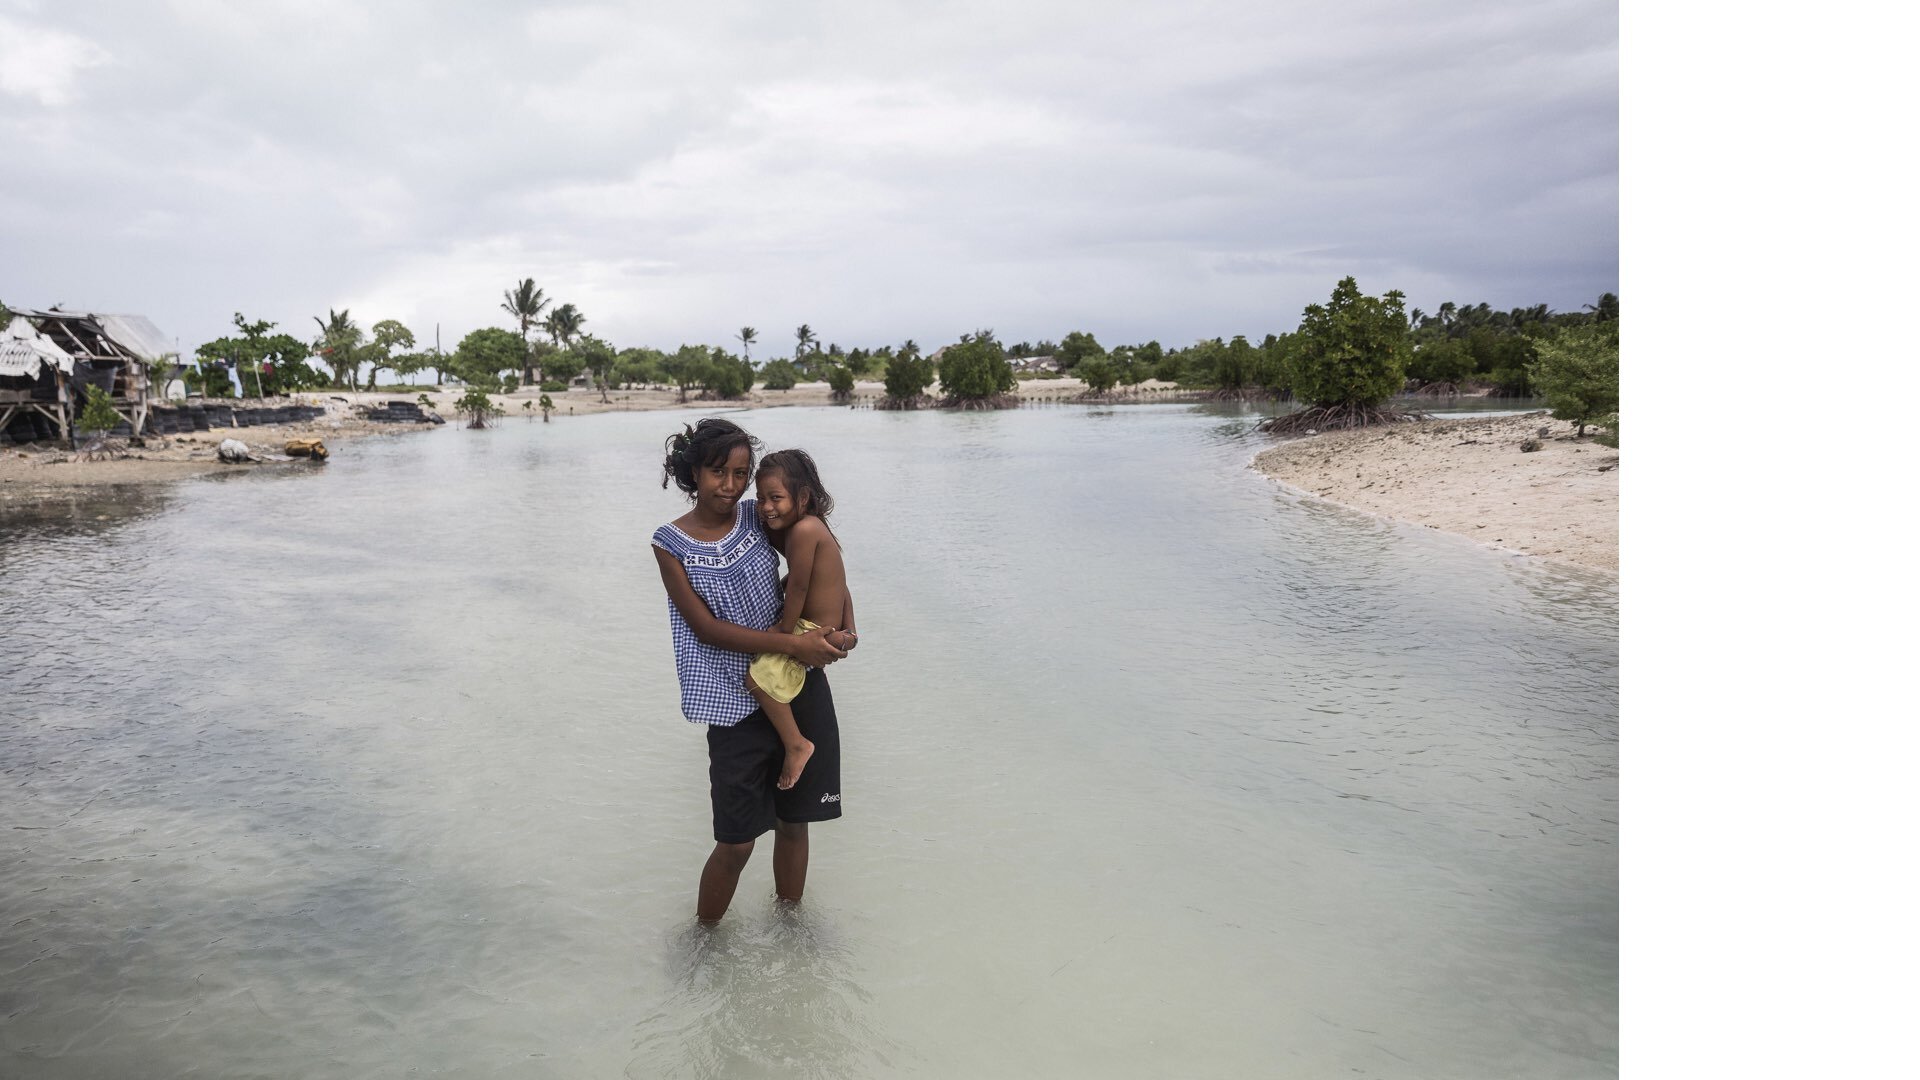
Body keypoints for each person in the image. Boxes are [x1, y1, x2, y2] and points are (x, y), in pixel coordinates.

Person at [650, 418, 856, 924]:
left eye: (741, 473)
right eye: (719, 472)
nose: (732, 485)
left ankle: (791, 931)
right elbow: (707, 629)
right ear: (693, 472)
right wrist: (793, 643)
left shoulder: (759, 515)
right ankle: (704, 943)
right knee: (737, 841)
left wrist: (848, 626)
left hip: (796, 683)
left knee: (794, 823)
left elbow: (823, 559)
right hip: (731, 700)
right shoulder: (669, 542)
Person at [743, 449, 857, 792]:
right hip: (827, 626)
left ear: (802, 496)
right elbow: (839, 582)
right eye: (760, 498)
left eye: (776, 498)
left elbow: (801, 586)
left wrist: (783, 631)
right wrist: (848, 627)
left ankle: (797, 744)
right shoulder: (810, 527)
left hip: (809, 629)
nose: (765, 507)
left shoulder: (805, 530)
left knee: (756, 680)